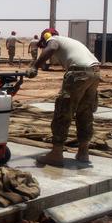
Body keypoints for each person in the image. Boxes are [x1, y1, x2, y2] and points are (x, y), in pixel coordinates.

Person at [26, 28, 100, 167]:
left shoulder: (54, 40)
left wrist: (35, 67)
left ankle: (56, 153)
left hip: (79, 72)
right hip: (95, 72)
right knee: (85, 112)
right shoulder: (69, 41)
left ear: (46, 37)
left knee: (63, 111)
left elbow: (51, 47)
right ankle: (83, 152)